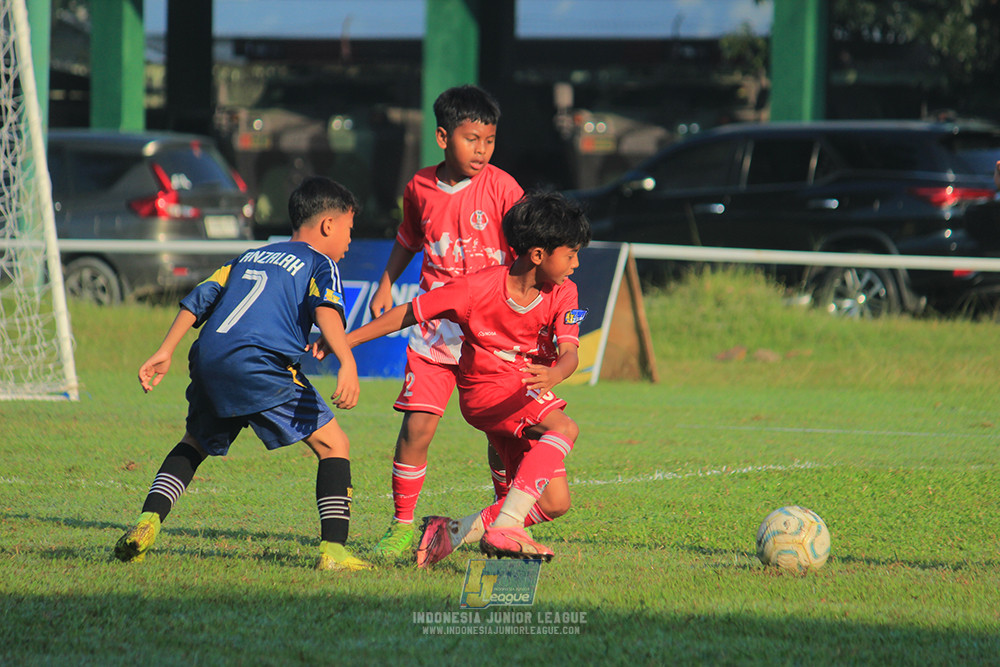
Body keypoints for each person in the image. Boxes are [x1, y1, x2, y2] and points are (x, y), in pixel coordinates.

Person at [114, 176, 371, 572]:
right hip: (260, 365)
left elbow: (200, 297)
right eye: (350, 231)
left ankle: (146, 522)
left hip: (210, 358)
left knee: (194, 442)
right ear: (328, 226)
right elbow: (326, 311)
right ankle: (334, 552)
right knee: (334, 444)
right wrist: (348, 363)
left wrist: (165, 349)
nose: (350, 242)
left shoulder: (251, 255)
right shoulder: (320, 262)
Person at [346, 191, 591, 565]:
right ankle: (507, 523)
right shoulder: (476, 289)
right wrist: (344, 341)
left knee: (556, 503)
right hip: (487, 392)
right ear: (538, 255)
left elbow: (571, 353)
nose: (576, 263)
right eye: (570, 254)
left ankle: (451, 533)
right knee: (566, 429)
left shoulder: (565, 292)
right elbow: (409, 314)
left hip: (526, 393)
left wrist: (555, 372)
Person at [366, 84, 524, 560]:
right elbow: (408, 238)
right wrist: (385, 282)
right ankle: (400, 527)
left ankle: (504, 520)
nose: (482, 150)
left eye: (490, 140)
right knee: (418, 428)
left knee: (502, 437)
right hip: (435, 332)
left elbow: (526, 252)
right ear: (441, 136)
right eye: (471, 138)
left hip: (491, 336)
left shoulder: (503, 187)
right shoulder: (419, 187)